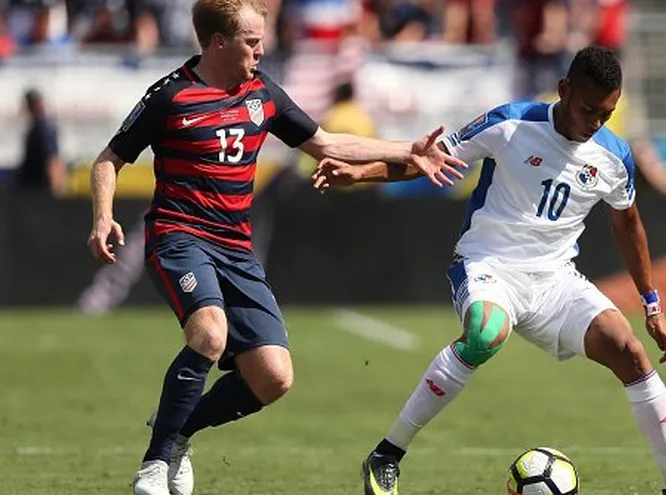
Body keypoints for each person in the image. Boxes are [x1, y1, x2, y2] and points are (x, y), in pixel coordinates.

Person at [85, 1, 467, 494]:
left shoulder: (262, 93)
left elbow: (326, 144)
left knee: (273, 378)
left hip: (236, 248)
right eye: (251, 41)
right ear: (218, 41)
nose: (262, 50)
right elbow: (108, 159)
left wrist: (406, 150)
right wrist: (101, 217)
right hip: (179, 236)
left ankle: (177, 428)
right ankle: (155, 465)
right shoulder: (171, 95)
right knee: (210, 332)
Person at [313, 46, 666, 495]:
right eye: (589, 110)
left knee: (629, 352)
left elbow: (628, 225)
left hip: (556, 281)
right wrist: (360, 174)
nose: (595, 123)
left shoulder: (614, 157)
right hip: (489, 265)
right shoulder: (511, 123)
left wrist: (652, 305)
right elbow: (430, 160)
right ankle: (386, 455)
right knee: (485, 333)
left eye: (606, 115)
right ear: (565, 90)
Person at [16, 88, 66, 197]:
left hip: (39, 190)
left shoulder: (43, 127)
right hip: (31, 188)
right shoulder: (37, 126)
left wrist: (57, 188)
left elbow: (52, 159)